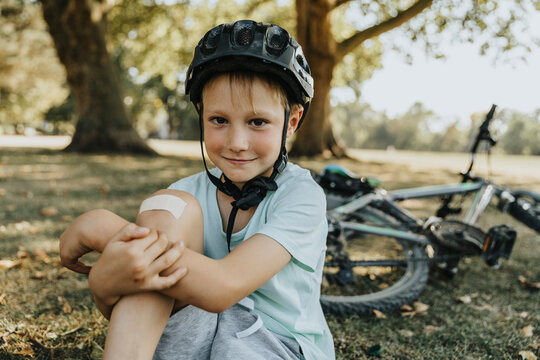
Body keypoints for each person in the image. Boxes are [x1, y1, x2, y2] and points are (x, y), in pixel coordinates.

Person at [59, 20, 335, 360]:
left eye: (257, 122)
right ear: (202, 115)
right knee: (167, 206)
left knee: (158, 253)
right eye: (219, 120)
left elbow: (224, 286)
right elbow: (120, 298)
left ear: (291, 122)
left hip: (274, 343)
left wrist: (104, 228)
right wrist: (104, 283)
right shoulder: (183, 195)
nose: (237, 143)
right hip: (195, 333)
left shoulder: (301, 196)